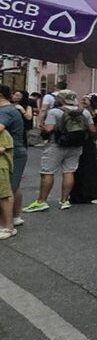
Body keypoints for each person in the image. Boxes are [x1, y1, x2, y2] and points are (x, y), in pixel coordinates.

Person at [23, 90, 87, 213]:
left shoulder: (55, 112)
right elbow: (91, 128)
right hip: (76, 145)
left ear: (61, 99)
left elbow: (49, 129)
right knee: (69, 171)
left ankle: (41, 201)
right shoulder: (83, 111)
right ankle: (64, 200)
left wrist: (42, 126)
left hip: (57, 144)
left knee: (47, 172)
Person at [68, 94, 97, 205]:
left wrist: (95, 128)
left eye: (86, 99)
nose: (83, 100)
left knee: (89, 168)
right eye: (82, 99)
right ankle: (80, 193)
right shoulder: (82, 111)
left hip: (88, 142)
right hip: (81, 141)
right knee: (79, 169)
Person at [0, 86, 28, 237]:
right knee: (13, 186)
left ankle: (7, 225)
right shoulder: (10, 109)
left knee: (5, 190)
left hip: (9, 153)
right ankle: (15, 217)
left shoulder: (4, 111)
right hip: (16, 151)